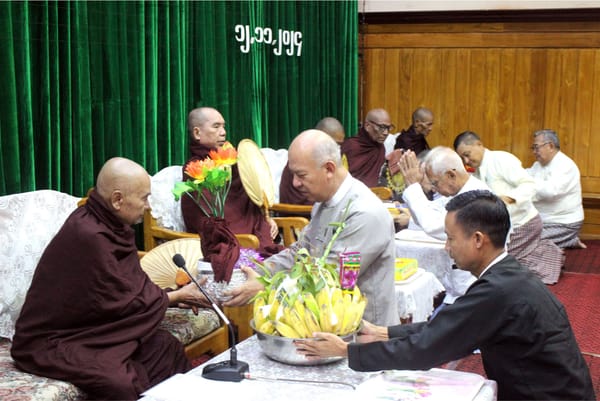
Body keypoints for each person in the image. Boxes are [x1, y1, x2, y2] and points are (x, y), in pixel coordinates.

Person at [295, 190, 595, 401]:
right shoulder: (508, 275)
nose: (446, 247)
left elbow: (428, 348)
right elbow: (451, 324)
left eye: (451, 238)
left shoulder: (498, 290)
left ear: (478, 240)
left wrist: (346, 352)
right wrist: (383, 332)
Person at [11, 157, 211, 400]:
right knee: (120, 382)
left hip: (92, 327)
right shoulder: (89, 234)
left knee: (165, 347)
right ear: (117, 199)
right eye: (144, 198)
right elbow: (115, 301)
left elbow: (124, 287)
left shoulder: (109, 223)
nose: (148, 207)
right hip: (55, 339)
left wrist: (170, 295)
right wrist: (173, 296)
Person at [226, 129, 398, 326]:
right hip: (321, 322)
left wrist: (265, 285)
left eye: (301, 175)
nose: (295, 183)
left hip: (364, 333)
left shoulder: (365, 214)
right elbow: (300, 252)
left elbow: (331, 280)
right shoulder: (323, 202)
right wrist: (259, 271)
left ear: (329, 169)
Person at [454, 131, 564, 284]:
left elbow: (529, 185)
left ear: (479, 144)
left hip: (523, 222)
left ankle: (550, 256)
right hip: (503, 225)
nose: (466, 160)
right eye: (462, 158)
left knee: (498, 262)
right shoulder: (476, 172)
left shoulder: (502, 159)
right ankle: (542, 251)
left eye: (467, 154)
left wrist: (509, 199)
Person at [181, 107, 283, 257]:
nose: (223, 132)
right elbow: (203, 218)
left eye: (223, 126)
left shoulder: (232, 163)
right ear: (197, 133)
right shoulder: (195, 169)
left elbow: (248, 203)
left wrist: (264, 220)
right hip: (231, 245)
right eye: (216, 127)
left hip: (253, 239)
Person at [397, 146, 490, 303]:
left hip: (472, 291)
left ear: (451, 175)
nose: (434, 188)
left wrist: (413, 187)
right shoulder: (461, 190)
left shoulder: (476, 197)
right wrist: (414, 188)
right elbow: (429, 213)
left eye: (435, 182)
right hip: (459, 286)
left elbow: (433, 225)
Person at [526, 129, 586, 249]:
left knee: (526, 242)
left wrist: (527, 181)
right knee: (515, 234)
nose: (534, 152)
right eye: (533, 148)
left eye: (536, 147)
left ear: (551, 146)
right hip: (541, 221)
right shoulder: (537, 165)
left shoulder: (566, 166)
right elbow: (524, 179)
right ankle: (567, 241)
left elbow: (550, 192)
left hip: (563, 223)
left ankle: (568, 239)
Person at [279, 116, 346, 205]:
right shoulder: (301, 161)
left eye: (339, 144)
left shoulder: (337, 157)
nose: (337, 148)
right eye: (333, 143)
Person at [341, 108, 394, 188]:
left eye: (388, 128)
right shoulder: (351, 147)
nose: (386, 133)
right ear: (367, 126)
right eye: (381, 127)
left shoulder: (380, 148)